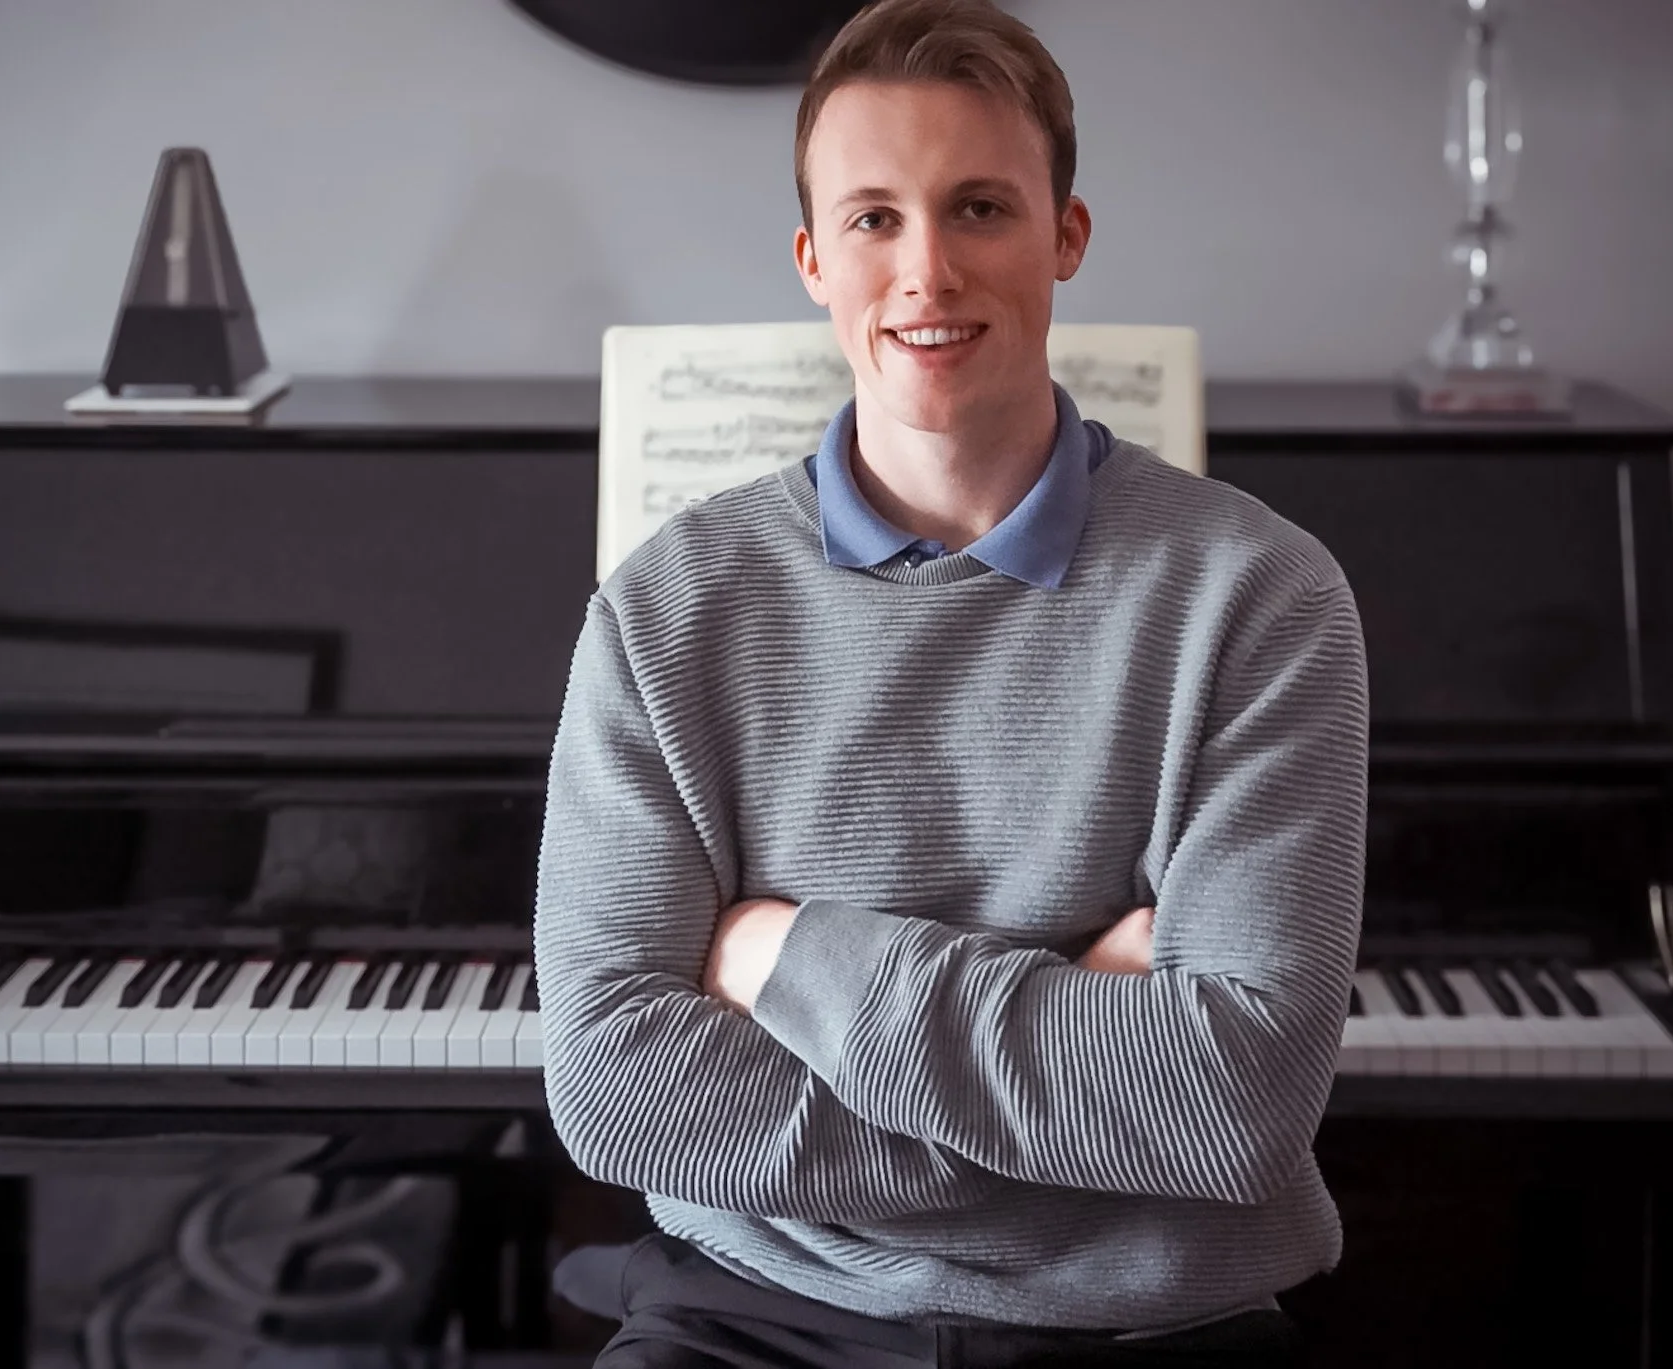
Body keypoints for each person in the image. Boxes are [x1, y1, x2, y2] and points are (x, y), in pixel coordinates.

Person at [533, 0, 1369, 1363]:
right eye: (874, 218)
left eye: (980, 207)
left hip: (1145, 1325)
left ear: (1066, 237)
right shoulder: (667, 607)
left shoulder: (1261, 595)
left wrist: (785, 953)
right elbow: (617, 1088)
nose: (925, 271)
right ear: (813, 258)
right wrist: (1081, 1050)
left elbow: (1236, 1108)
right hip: (756, 1313)